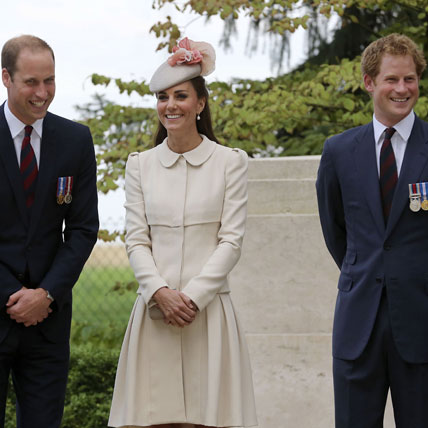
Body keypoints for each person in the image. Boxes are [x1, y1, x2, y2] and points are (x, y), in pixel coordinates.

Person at [316, 33, 428, 428]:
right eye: (392, 79)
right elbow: (335, 228)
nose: (402, 89)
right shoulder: (339, 151)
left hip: (427, 322)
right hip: (359, 323)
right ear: (369, 82)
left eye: (410, 79)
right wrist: (367, 276)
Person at [0, 35, 99, 427]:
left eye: (50, 81)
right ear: (6, 78)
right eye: (31, 82)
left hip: (48, 323)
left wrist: (45, 295)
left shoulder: (76, 141)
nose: (42, 93)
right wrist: (13, 296)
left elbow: (82, 229)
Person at [108, 37, 257, 428]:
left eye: (180, 95)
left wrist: (191, 298)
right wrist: (159, 292)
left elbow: (231, 240)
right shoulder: (139, 166)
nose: (170, 105)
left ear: (200, 103)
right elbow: (137, 239)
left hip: (207, 314)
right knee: (155, 418)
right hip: (155, 311)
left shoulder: (231, 163)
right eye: (162, 97)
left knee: (210, 418)